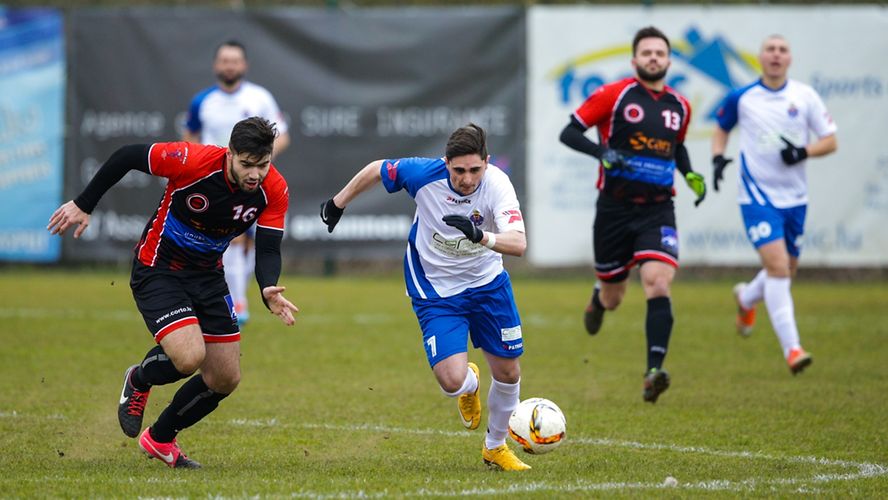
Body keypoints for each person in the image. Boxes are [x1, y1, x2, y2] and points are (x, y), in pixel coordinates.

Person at [47, 117, 298, 468]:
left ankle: (160, 438)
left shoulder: (274, 188)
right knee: (189, 357)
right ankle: (138, 378)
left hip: (208, 276)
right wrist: (84, 203)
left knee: (225, 378)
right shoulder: (192, 161)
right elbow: (127, 155)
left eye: (263, 164)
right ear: (230, 154)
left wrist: (268, 286)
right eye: (247, 164)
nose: (255, 174)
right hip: (159, 268)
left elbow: (268, 248)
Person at [319, 124, 532, 471]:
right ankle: (470, 384)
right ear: (445, 163)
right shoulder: (422, 174)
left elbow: (519, 243)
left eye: (475, 169)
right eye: (459, 170)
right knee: (451, 382)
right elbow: (377, 169)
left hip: (488, 284)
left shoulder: (497, 184)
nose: (467, 179)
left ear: (487, 162)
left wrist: (480, 236)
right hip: (436, 289)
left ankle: (495, 447)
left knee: (508, 372)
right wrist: (337, 203)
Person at [558, 26, 706, 403]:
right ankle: (599, 298)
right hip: (614, 209)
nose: (653, 58)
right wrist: (601, 153)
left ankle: (653, 371)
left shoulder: (680, 106)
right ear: (635, 59)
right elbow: (569, 133)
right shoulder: (615, 95)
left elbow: (677, 147)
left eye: (660, 53)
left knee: (657, 282)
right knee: (614, 298)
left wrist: (689, 173)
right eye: (647, 53)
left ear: (669, 60)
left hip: (658, 209)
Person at [711, 34, 837, 375]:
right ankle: (793, 349)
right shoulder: (742, 97)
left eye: (782, 50)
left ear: (790, 58)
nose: (776, 55)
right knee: (779, 268)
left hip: (795, 199)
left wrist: (803, 151)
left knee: (785, 271)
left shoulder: (804, 96)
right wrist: (718, 158)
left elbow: (830, 141)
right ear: (760, 57)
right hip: (757, 197)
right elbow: (721, 128)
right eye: (770, 50)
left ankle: (746, 298)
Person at [184, 40, 291, 328]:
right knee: (231, 238)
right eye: (224, 60)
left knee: (252, 244)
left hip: (253, 184)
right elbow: (190, 138)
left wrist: (255, 164)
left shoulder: (260, 98)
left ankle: (235, 296)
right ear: (216, 65)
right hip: (216, 184)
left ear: (244, 65)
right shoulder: (202, 101)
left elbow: (282, 136)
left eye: (234, 61)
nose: (229, 66)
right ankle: (237, 301)